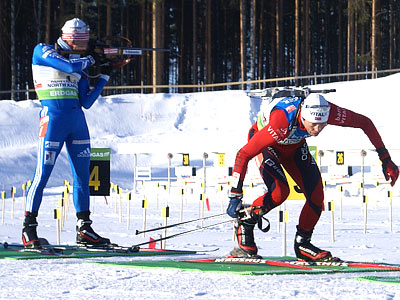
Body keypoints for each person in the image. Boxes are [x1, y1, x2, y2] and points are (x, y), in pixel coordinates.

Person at [227, 89, 399, 261]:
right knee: (280, 192)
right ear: (303, 116)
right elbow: (243, 154)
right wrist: (235, 194)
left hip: (294, 145)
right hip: (267, 144)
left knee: (316, 196)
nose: (317, 130)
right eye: (313, 125)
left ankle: (303, 244)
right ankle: (245, 221)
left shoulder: (328, 110)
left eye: (322, 124)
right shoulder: (281, 120)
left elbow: (365, 123)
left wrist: (385, 158)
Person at [23, 18, 113, 248]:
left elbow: (86, 101)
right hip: (53, 119)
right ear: (70, 39)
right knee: (42, 173)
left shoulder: (80, 62)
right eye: (81, 42)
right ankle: (28, 228)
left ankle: (84, 228)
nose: (84, 46)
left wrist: (104, 76)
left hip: (77, 121)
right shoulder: (43, 50)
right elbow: (70, 67)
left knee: (83, 176)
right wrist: (93, 58)